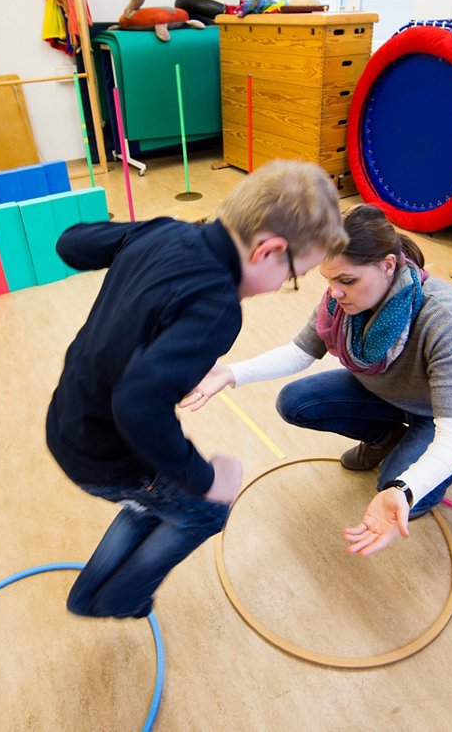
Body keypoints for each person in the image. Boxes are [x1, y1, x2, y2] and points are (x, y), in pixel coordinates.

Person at [46, 160, 347, 618]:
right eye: (292, 278)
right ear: (268, 250)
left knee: (156, 496)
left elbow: (70, 243)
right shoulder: (217, 308)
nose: (283, 287)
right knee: (205, 509)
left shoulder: (164, 230)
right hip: (109, 451)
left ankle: (89, 593)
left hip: (68, 421)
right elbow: (138, 404)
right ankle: (117, 598)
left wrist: (139, 239)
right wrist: (206, 478)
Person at [183, 203, 452, 557]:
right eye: (328, 279)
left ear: (388, 265)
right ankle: (386, 436)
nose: (334, 292)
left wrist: (404, 489)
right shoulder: (339, 300)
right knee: (295, 402)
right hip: (388, 393)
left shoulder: (445, 319)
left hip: (447, 416)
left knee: (392, 487)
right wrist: (230, 372)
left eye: (346, 280)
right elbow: (301, 352)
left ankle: (403, 456)